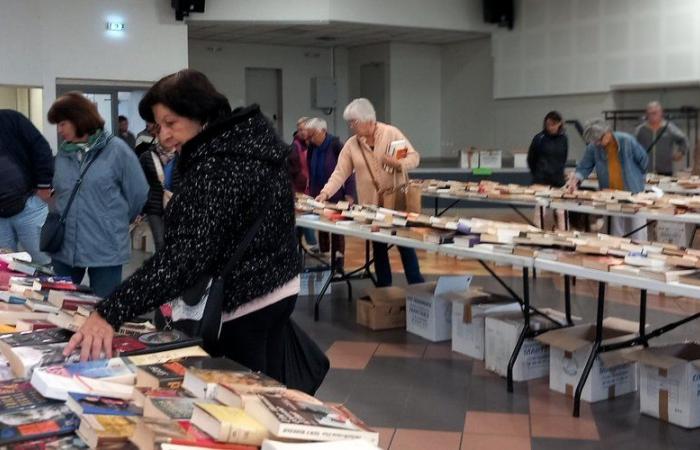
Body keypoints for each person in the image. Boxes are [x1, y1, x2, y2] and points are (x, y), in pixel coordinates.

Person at [64, 70, 301, 379]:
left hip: (243, 302)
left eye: (171, 123)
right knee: (261, 381)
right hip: (275, 287)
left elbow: (183, 259)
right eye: (158, 125)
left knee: (236, 392)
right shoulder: (249, 145)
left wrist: (110, 311)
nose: (163, 135)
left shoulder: (220, 164)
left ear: (200, 115)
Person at [47, 92, 148, 297]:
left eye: (62, 123)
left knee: (103, 310)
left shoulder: (117, 151)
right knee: (57, 305)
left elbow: (139, 193)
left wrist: (115, 221)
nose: (59, 130)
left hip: (106, 248)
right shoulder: (63, 156)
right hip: (65, 248)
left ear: (78, 119)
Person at [316, 98, 424, 287]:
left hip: (396, 205)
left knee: (405, 246)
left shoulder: (392, 133)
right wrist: (325, 194)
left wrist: (400, 164)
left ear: (368, 120)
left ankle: (418, 288)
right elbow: (339, 173)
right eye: (349, 123)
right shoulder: (351, 145)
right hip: (371, 208)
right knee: (379, 248)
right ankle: (384, 291)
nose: (350, 127)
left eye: (353, 122)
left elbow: (414, 158)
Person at [566, 118, 648, 240]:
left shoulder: (626, 141)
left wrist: (638, 178)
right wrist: (575, 180)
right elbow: (583, 167)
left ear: (608, 132)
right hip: (611, 195)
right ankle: (616, 257)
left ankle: (638, 256)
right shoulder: (593, 147)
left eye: (599, 140)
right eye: (594, 141)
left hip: (633, 193)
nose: (597, 143)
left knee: (637, 231)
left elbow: (643, 159)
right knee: (615, 233)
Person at [0, 110, 54, 265]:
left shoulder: (11, 119)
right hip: (1, 217)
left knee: (43, 263)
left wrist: (44, 185)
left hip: (29, 206)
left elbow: (41, 147)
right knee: (7, 267)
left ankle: (50, 290)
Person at [305, 118, 356, 264]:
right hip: (319, 194)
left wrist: (349, 194)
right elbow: (310, 168)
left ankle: (338, 264)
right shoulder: (312, 148)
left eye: (312, 134)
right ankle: (325, 261)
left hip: (337, 195)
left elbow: (348, 171)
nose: (310, 139)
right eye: (309, 135)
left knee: (337, 231)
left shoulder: (336, 145)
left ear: (323, 131)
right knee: (321, 227)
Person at [527, 111, 567, 230]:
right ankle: (537, 238)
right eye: (548, 124)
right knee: (540, 212)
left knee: (561, 212)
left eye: (553, 124)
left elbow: (563, 158)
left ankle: (563, 239)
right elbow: (531, 159)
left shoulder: (563, 139)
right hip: (541, 181)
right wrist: (538, 173)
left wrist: (559, 172)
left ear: (559, 124)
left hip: (558, 182)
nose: (550, 127)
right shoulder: (539, 138)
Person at [138, 134, 179, 252]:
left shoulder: (179, 155)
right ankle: (161, 267)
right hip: (154, 205)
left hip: (173, 203)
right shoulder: (147, 156)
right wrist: (140, 209)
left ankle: (171, 267)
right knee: (160, 241)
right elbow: (139, 181)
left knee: (173, 240)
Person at [635, 101, 689, 176]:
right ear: (647, 114)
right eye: (650, 113)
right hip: (644, 170)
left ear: (661, 113)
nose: (653, 115)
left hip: (665, 170)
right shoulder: (640, 130)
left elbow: (683, 139)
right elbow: (633, 146)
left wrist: (681, 152)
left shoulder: (669, 128)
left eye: (655, 113)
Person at [291, 117, 319, 252]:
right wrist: (303, 180)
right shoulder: (295, 146)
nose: (302, 132)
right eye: (300, 129)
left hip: (312, 186)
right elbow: (293, 168)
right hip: (300, 187)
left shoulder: (313, 145)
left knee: (306, 216)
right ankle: (309, 244)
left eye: (304, 129)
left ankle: (304, 245)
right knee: (303, 216)